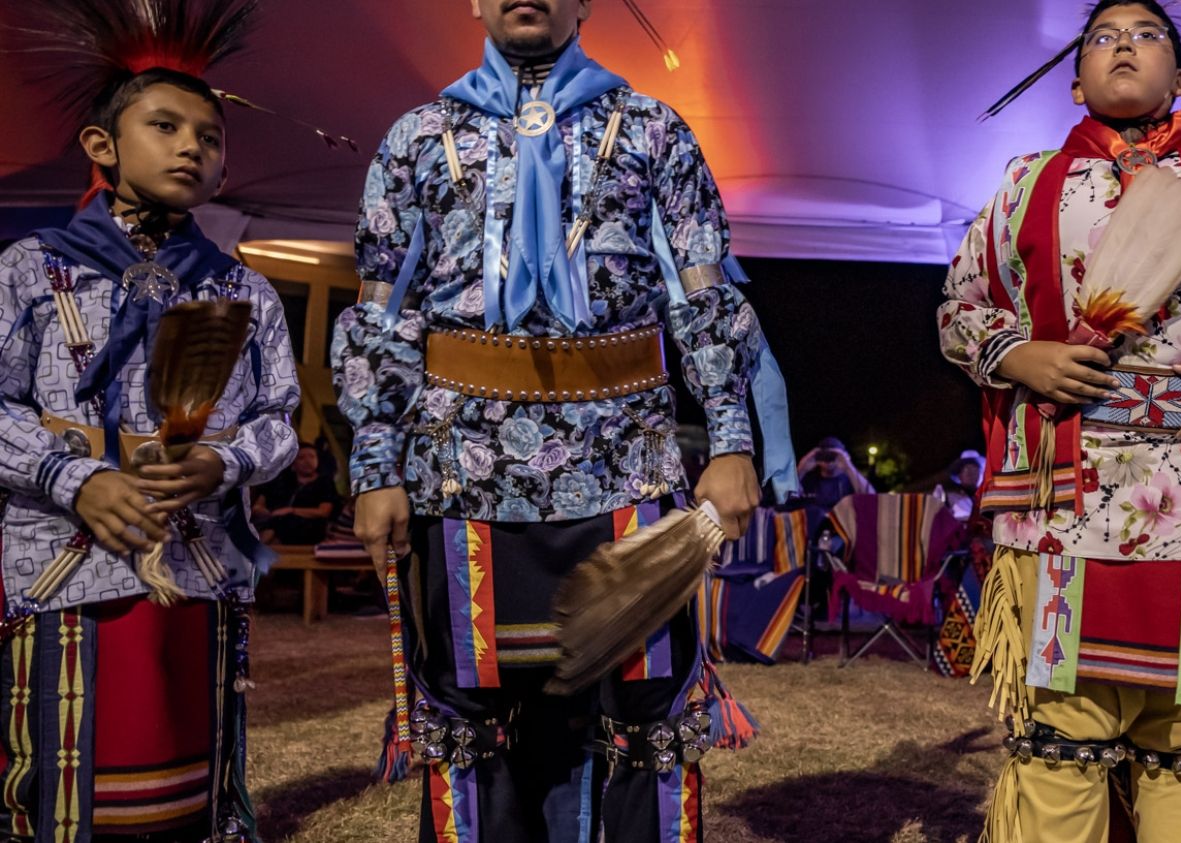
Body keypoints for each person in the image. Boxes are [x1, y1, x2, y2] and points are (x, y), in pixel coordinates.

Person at [333, 0, 778, 838]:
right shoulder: (417, 137)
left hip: (627, 463)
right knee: (466, 723)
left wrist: (731, 439)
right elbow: (380, 316)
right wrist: (375, 465)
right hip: (459, 468)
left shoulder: (653, 129)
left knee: (649, 716)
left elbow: (705, 294)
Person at [939, 2, 1181, 838]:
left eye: (1147, 34)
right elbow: (959, 307)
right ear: (1077, 81)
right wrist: (1019, 354)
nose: (1122, 43)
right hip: (1065, 495)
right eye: (1101, 37)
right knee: (1058, 740)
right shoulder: (1025, 184)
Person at [0, 1, 300, 838]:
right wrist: (75, 477)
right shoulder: (31, 270)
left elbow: (280, 417)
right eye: (164, 126)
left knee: (184, 768)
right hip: (63, 556)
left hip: (195, 557)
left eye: (208, 137)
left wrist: (224, 462)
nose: (190, 148)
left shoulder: (240, 289)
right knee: (71, 775)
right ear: (102, 146)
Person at [253, 441, 341, 545]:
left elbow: (323, 512)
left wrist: (291, 510)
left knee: (280, 527)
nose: (308, 461)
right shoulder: (282, 480)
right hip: (272, 521)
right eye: (301, 458)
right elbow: (259, 504)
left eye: (312, 457)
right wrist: (260, 509)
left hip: (308, 526)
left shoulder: (325, 483)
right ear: (293, 464)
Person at [798, 436, 874, 509]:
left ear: (845, 456)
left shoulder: (853, 480)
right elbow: (787, 497)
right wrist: (801, 469)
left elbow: (872, 500)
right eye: (824, 455)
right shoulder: (808, 480)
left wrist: (848, 467)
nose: (829, 459)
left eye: (834, 455)